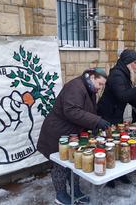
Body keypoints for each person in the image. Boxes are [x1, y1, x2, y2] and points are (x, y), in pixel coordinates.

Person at [37, 68, 110, 205]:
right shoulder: (75, 86)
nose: (100, 88)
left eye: (103, 85)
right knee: (60, 164)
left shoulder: (90, 89)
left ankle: (76, 191)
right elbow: (72, 111)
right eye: (100, 84)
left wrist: (96, 124)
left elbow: (88, 111)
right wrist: (96, 121)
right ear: (92, 77)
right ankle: (61, 195)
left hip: (71, 133)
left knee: (74, 163)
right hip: (57, 132)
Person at [97, 49, 136, 187]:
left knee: (117, 144)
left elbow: (129, 97)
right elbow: (122, 96)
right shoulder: (117, 74)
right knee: (108, 145)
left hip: (116, 114)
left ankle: (120, 174)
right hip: (107, 115)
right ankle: (109, 178)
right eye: (135, 63)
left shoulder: (124, 73)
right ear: (128, 62)